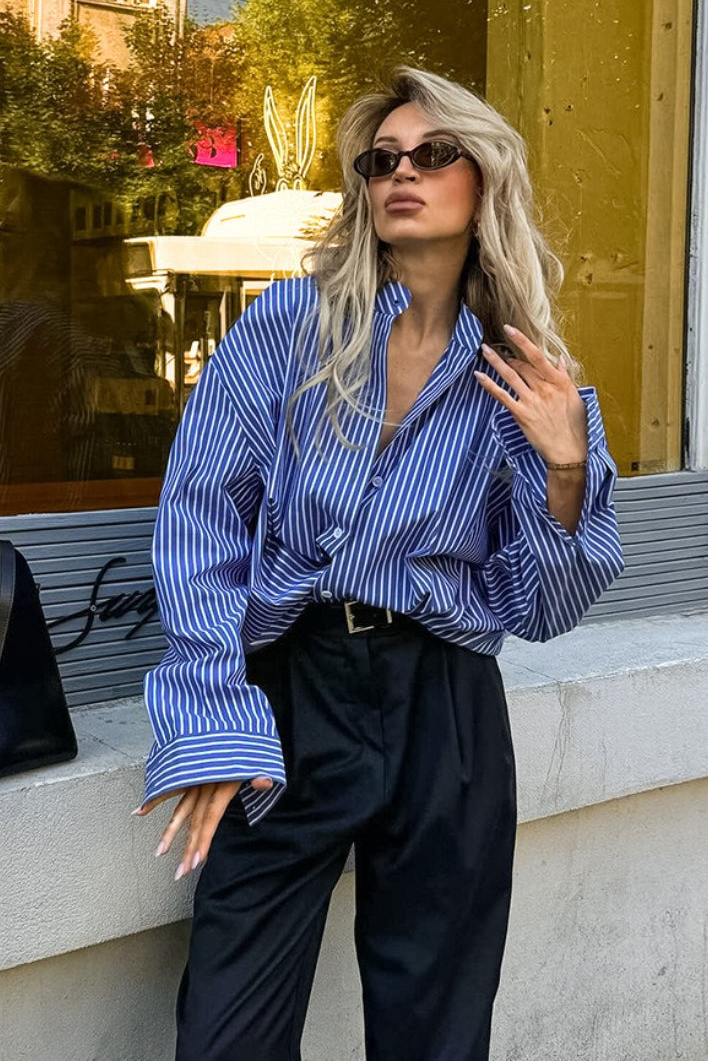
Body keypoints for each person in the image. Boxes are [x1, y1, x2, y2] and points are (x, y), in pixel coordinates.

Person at [133, 66, 624, 1061]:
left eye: (433, 154)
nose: (402, 172)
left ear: (483, 178)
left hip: (446, 707)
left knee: (436, 1029)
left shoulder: (528, 374)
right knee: (226, 1029)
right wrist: (215, 719)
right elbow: (200, 526)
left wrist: (566, 468)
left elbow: (541, 606)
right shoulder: (285, 326)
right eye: (380, 159)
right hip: (296, 687)